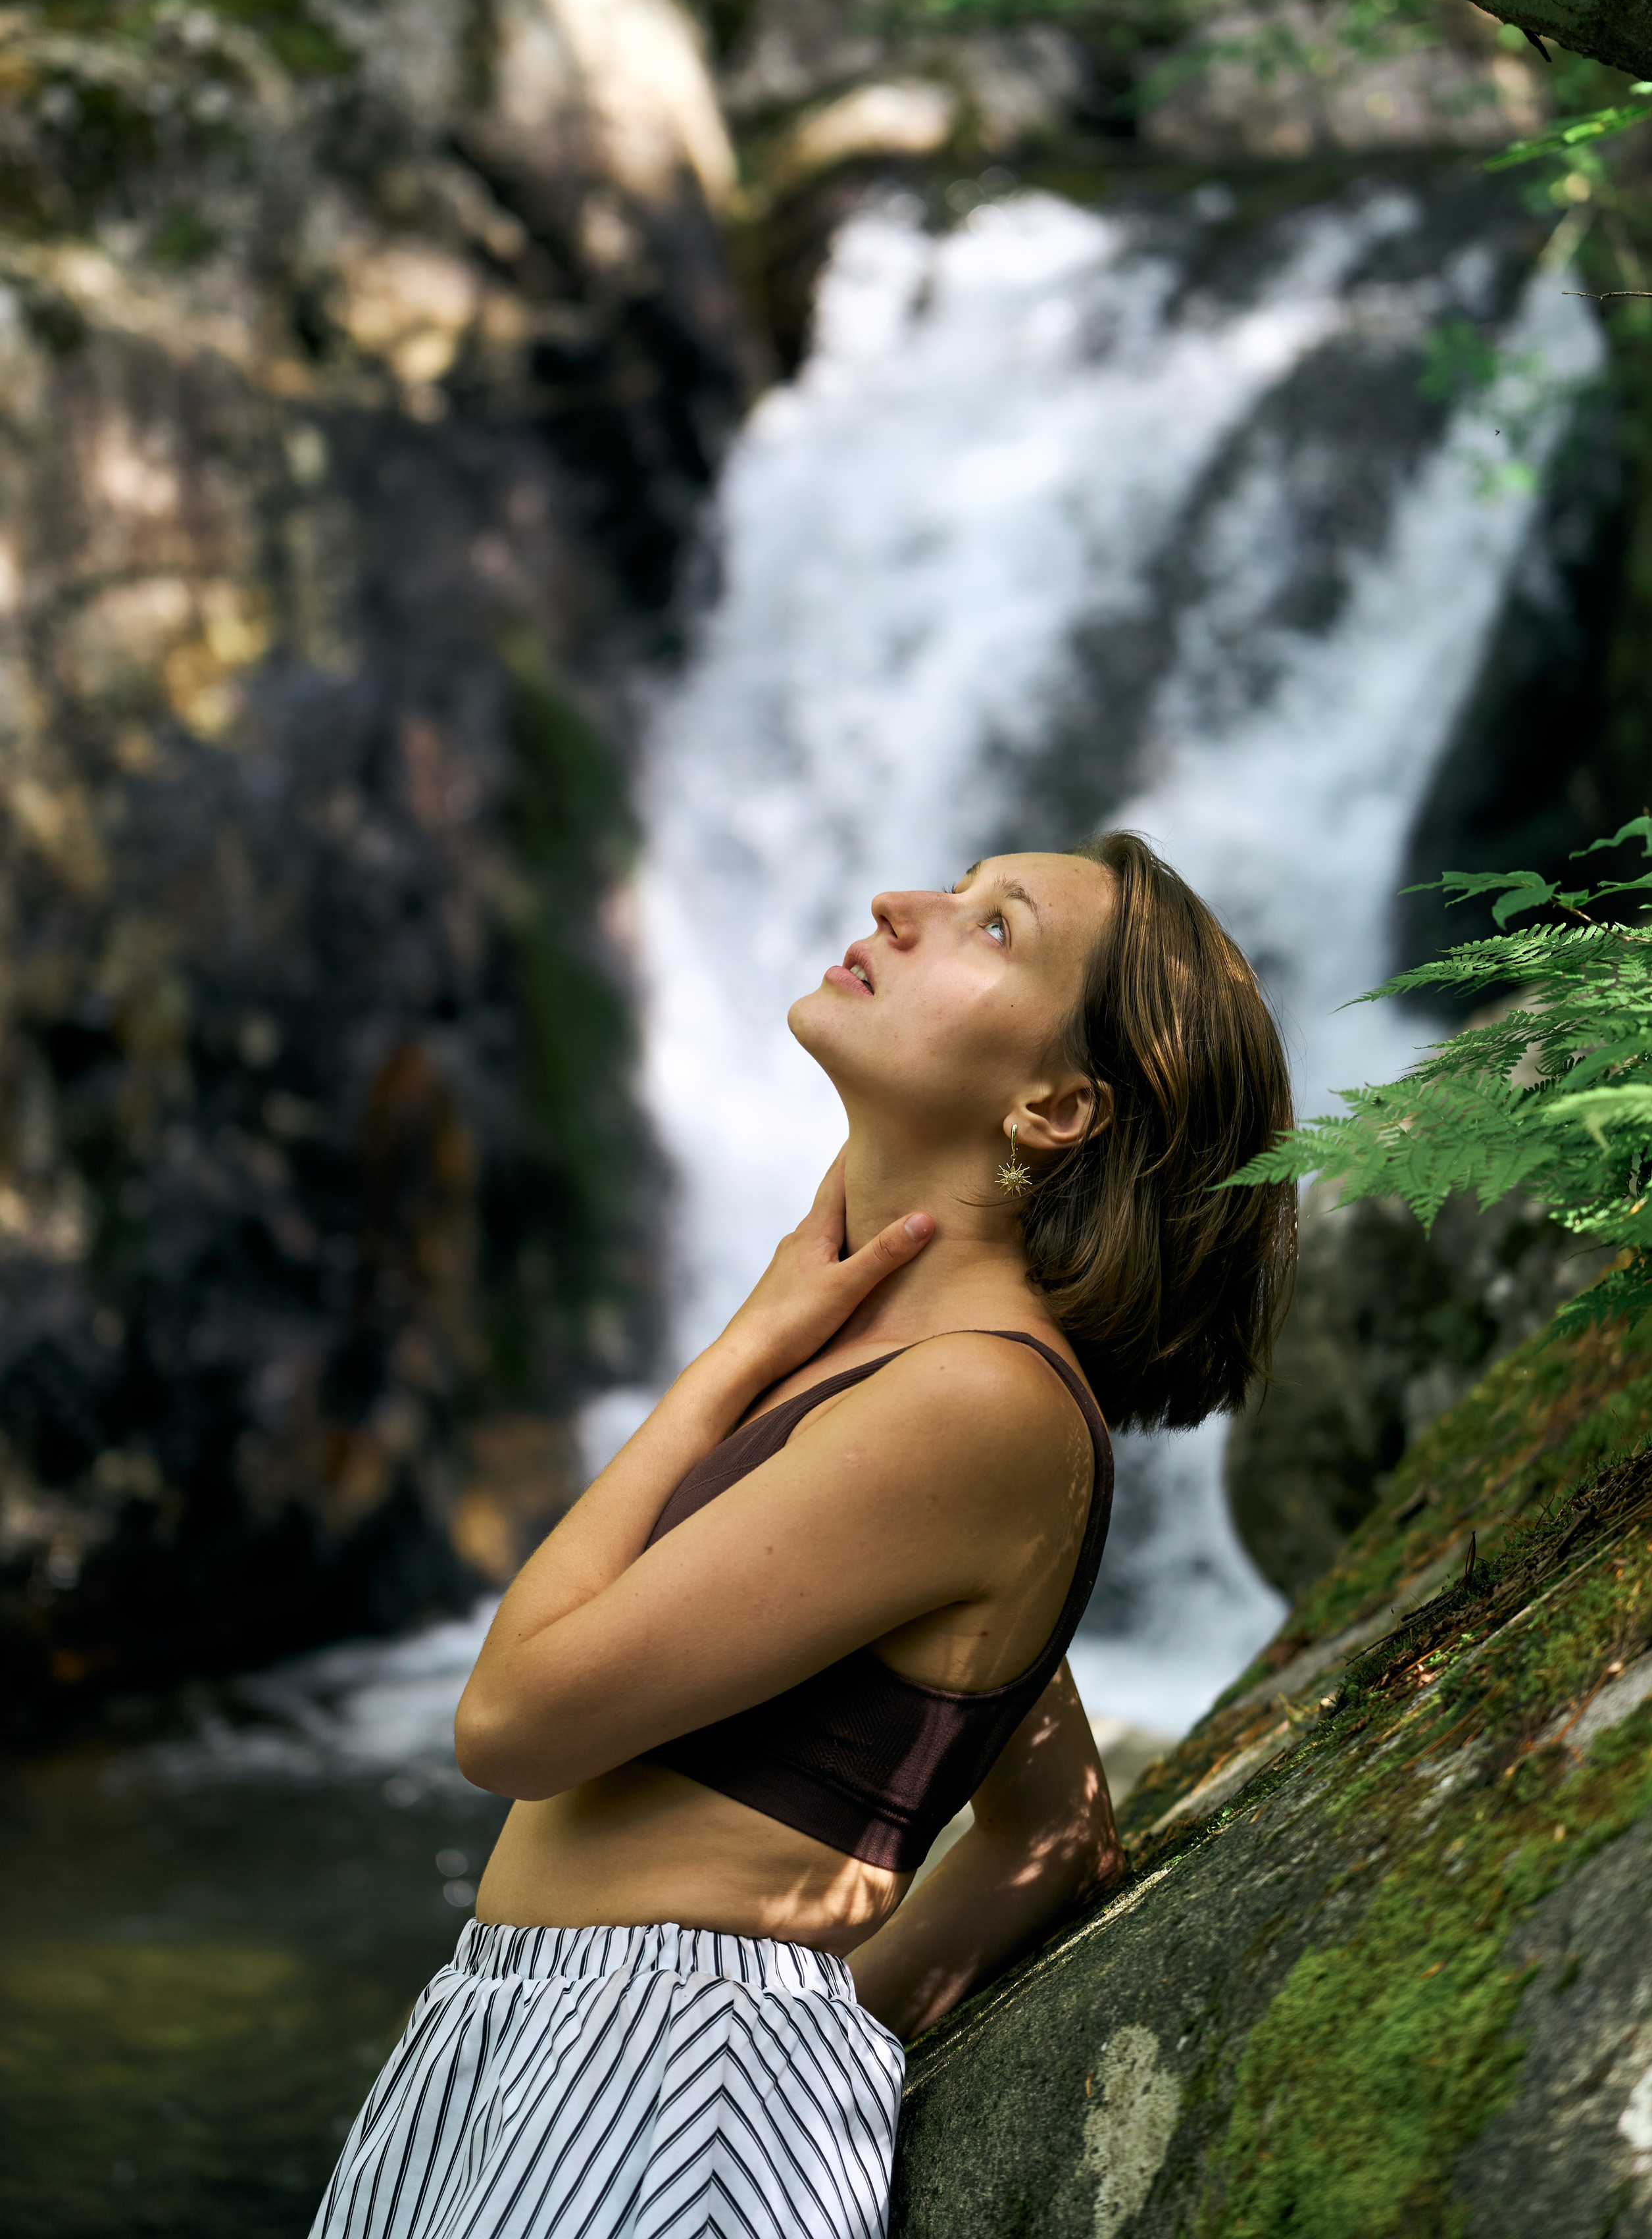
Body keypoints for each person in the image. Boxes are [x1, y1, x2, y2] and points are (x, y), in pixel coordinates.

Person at [309, 832, 1294, 2239]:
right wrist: (817, 2042)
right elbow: (1050, 1831)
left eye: (990, 927)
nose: (899, 906)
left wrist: (735, 1352)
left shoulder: (976, 1401)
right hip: (542, 2050)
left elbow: (513, 1723)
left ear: (1057, 1109)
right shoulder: (908, 1373)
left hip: (658, 2097)